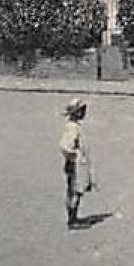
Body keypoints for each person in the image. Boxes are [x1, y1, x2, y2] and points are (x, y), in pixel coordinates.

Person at [59, 98, 93, 229]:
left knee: (72, 190)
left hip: (73, 162)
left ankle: (73, 217)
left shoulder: (72, 126)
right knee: (76, 191)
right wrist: (74, 155)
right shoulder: (73, 128)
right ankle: (72, 220)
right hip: (75, 164)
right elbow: (66, 145)